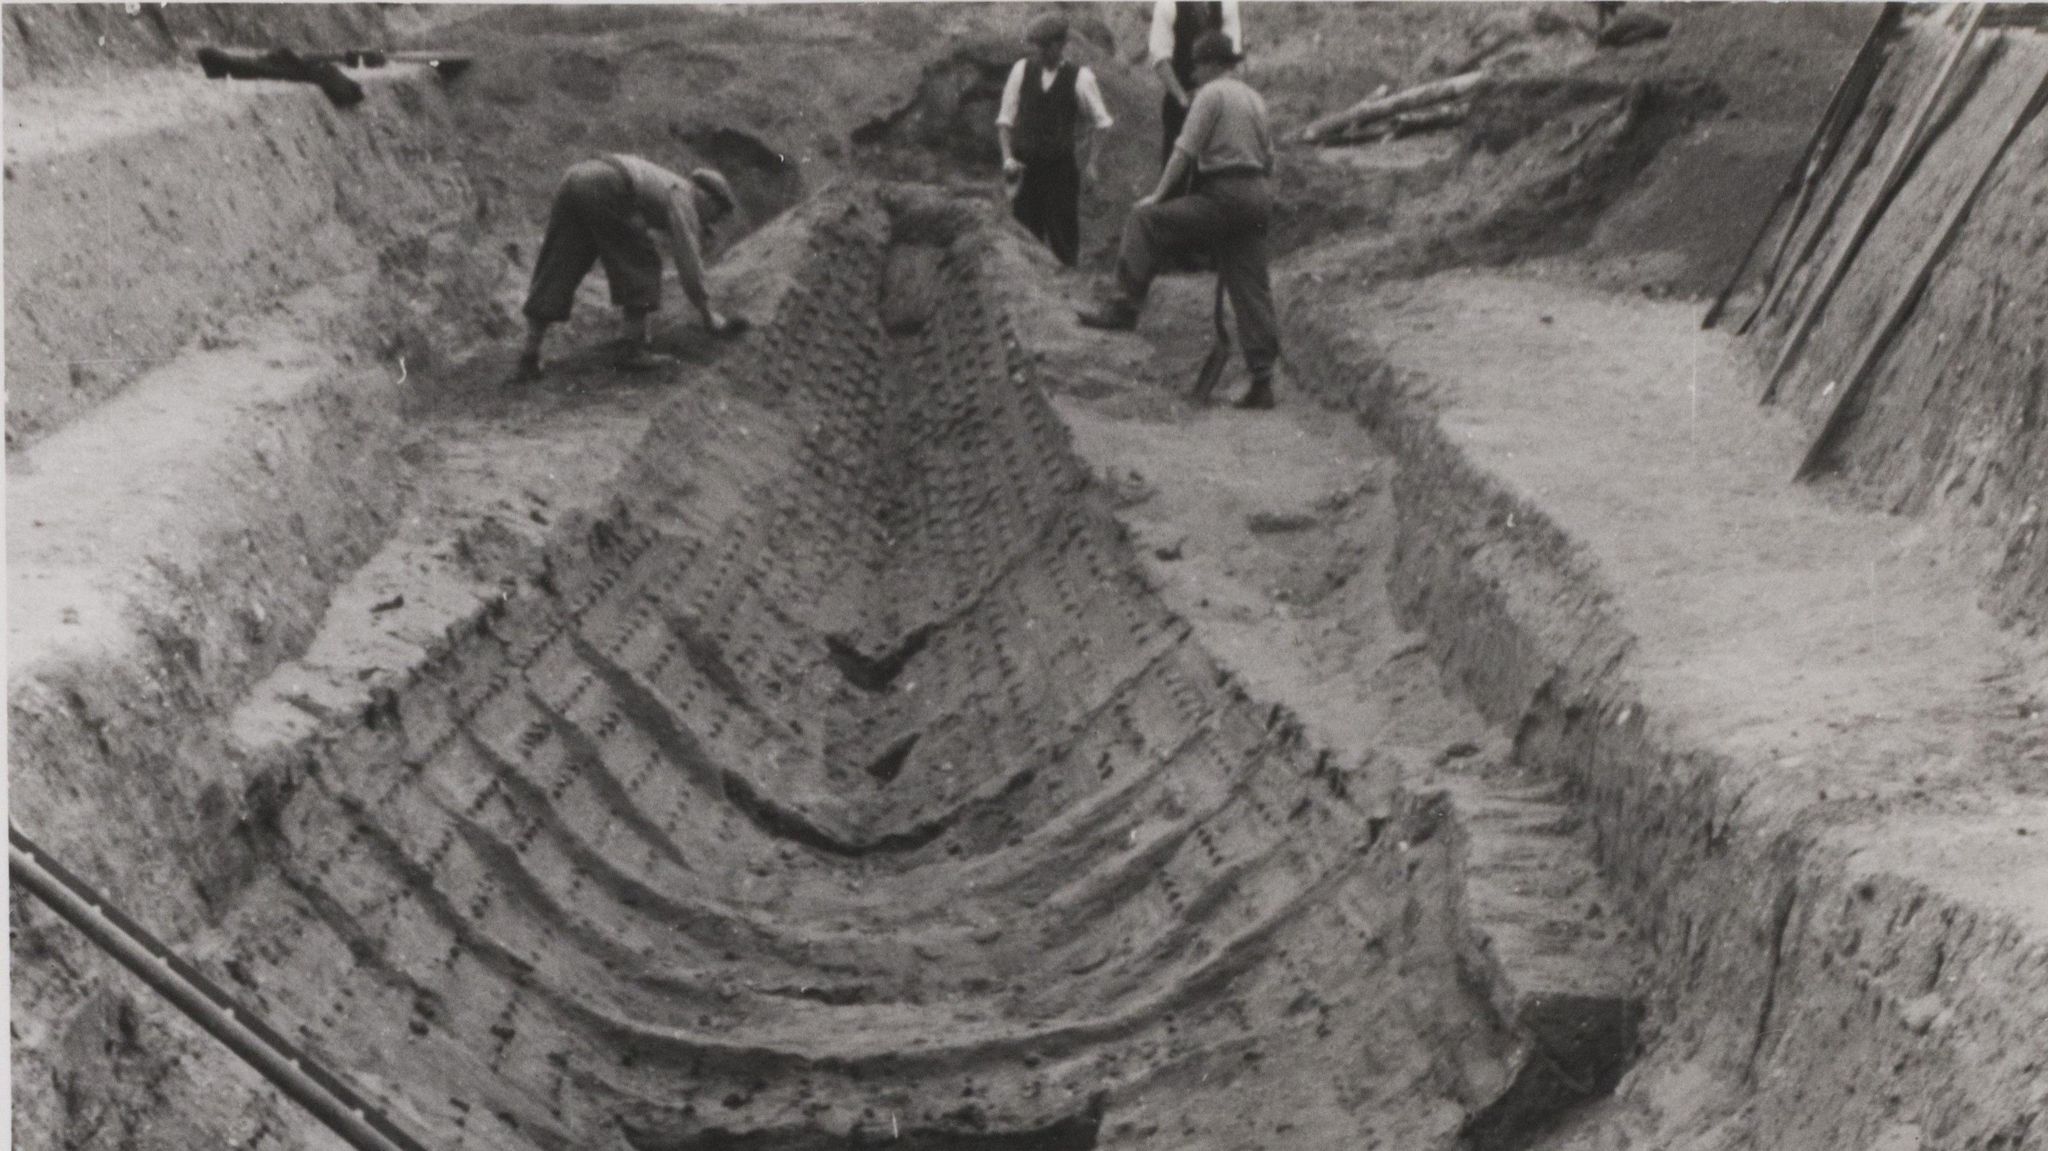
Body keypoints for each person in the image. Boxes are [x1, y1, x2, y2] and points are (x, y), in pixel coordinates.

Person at [1078, 30, 1280, 411]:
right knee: (1251, 286)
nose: (1195, 73)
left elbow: (1183, 152)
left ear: (1213, 65)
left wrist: (1158, 196)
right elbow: (1270, 160)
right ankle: (1263, 380)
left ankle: (1122, 307)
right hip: (1256, 196)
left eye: (1199, 65)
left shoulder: (1211, 95)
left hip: (1224, 192)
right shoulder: (1255, 98)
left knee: (1145, 221)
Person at [513, 154, 740, 382]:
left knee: (560, 262)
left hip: (575, 177)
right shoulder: (685, 197)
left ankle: (529, 356)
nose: (712, 223)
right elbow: (688, 261)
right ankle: (632, 349)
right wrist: (707, 313)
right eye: (717, 214)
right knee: (642, 261)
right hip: (609, 183)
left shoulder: (668, 184)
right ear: (709, 198)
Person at [997, 12, 1115, 268]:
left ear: (1059, 45)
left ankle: (1068, 296)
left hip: (1059, 173)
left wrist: (1093, 163)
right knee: (1025, 240)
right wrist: (1007, 157)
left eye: (1043, 47)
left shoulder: (1080, 78)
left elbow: (1102, 123)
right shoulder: (1022, 69)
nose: (1037, 52)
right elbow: (1005, 121)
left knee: (1063, 241)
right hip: (1025, 170)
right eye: (1035, 46)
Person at [1148, 0, 1242, 168]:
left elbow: (1233, 57)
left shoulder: (1227, 5)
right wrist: (1183, 99)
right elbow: (1160, 59)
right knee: (1177, 167)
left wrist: (1215, 96)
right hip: (1181, 102)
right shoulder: (1167, 5)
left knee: (1216, 169)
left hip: (1218, 101)